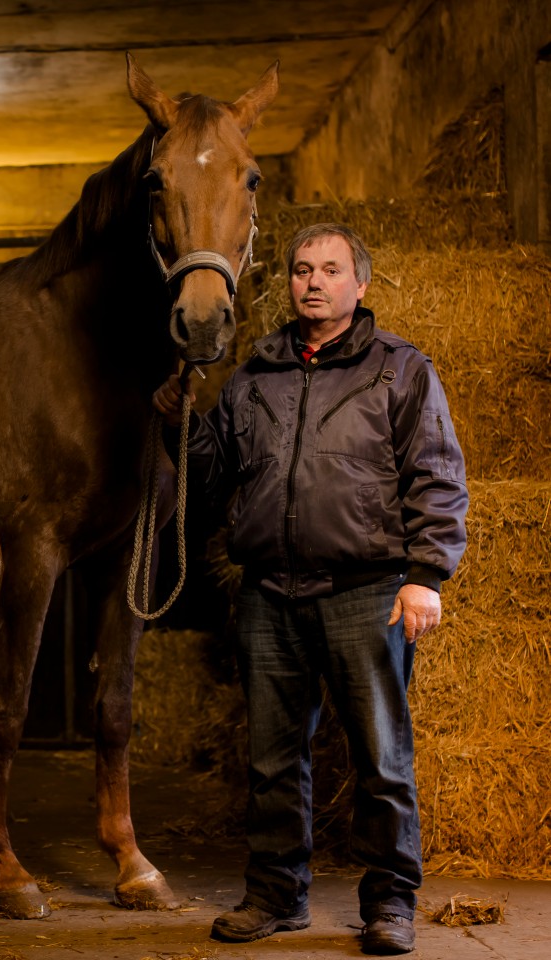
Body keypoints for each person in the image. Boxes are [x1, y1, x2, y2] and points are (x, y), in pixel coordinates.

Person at [153, 223, 467, 956]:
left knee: (380, 757)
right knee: (270, 758)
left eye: (329, 269)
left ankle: (389, 903)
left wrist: (425, 576)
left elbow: (437, 477)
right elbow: (217, 471)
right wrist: (184, 423)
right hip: (269, 590)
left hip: (364, 588)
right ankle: (273, 895)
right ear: (288, 284)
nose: (312, 282)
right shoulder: (254, 373)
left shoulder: (399, 370)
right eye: (300, 270)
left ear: (359, 285)